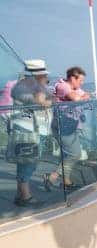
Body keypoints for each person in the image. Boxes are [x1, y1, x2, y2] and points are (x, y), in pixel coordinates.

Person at [9, 59, 53, 206]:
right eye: (43, 75)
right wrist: (42, 91)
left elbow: (50, 99)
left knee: (30, 163)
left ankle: (20, 195)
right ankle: (25, 197)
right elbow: (41, 101)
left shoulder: (30, 87)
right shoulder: (21, 89)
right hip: (26, 131)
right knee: (27, 163)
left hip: (34, 130)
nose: (46, 77)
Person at [46, 66, 91, 190]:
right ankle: (52, 177)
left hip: (70, 126)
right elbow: (77, 99)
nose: (82, 83)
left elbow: (86, 96)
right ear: (72, 78)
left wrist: (82, 97)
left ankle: (66, 181)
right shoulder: (63, 86)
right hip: (63, 127)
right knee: (74, 154)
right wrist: (82, 97)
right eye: (80, 80)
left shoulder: (74, 88)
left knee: (68, 154)